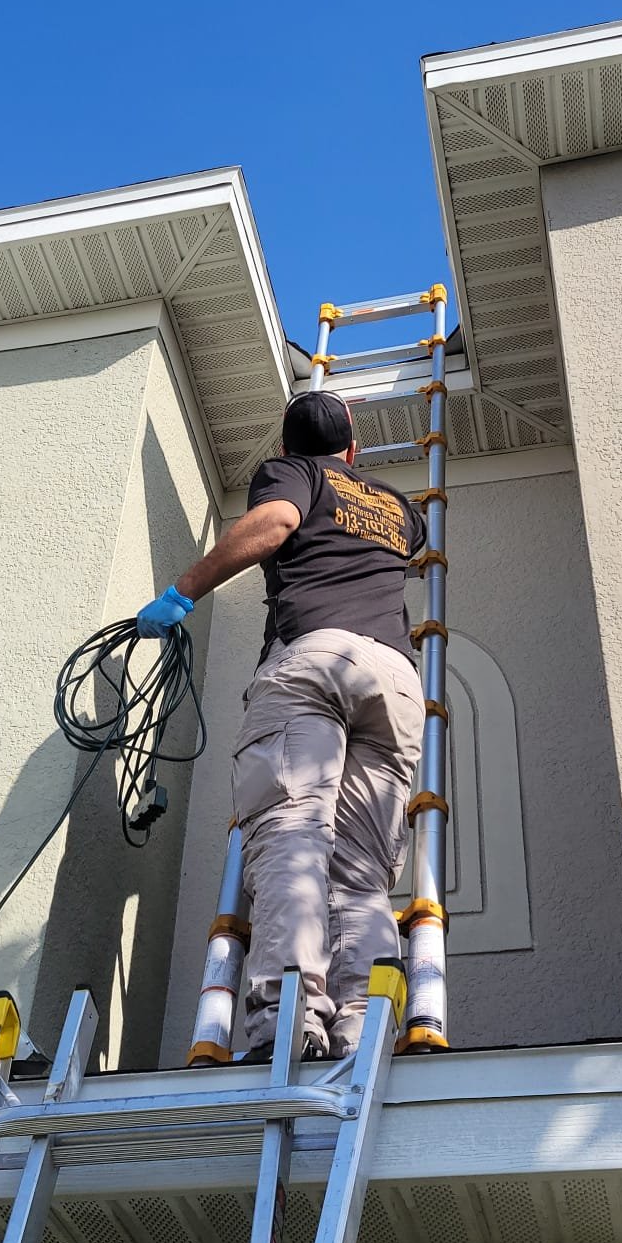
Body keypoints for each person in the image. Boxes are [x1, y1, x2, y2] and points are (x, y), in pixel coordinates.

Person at [136, 390, 425, 1058]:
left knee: (294, 840)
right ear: (353, 450)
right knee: (362, 871)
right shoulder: (400, 508)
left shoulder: (294, 473)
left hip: (314, 663)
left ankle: (288, 1022)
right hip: (394, 680)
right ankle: (363, 1025)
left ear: (285, 449)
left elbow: (275, 523)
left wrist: (182, 592)